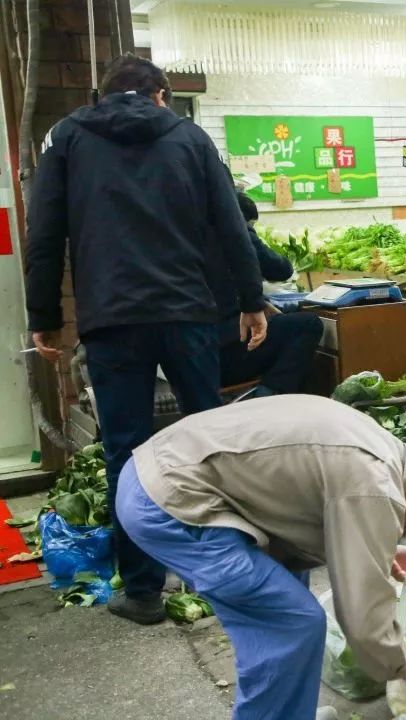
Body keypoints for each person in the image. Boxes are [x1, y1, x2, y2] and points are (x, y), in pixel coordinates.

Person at [24, 54, 267, 625]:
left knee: (126, 453)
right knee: (207, 441)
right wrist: (253, 301)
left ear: (102, 94)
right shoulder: (190, 137)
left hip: (112, 319)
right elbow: (232, 225)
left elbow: (45, 232)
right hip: (187, 314)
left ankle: (142, 591)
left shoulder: (68, 139)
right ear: (160, 94)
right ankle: (221, 575)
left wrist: (44, 316)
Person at [115, 395, 406, 720]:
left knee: (289, 588)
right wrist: (399, 661)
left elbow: (332, 510)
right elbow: (362, 608)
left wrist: (380, 547)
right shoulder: (375, 484)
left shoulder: (383, 452)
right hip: (169, 500)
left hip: (159, 471)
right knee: (292, 623)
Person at [210, 192, 323, 398]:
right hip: (227, 356)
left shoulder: (184, 232)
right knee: (309, 324)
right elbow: (280, 269)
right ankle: (269, 393)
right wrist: (249, 232)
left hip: (190, 360)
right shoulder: (233, 229)